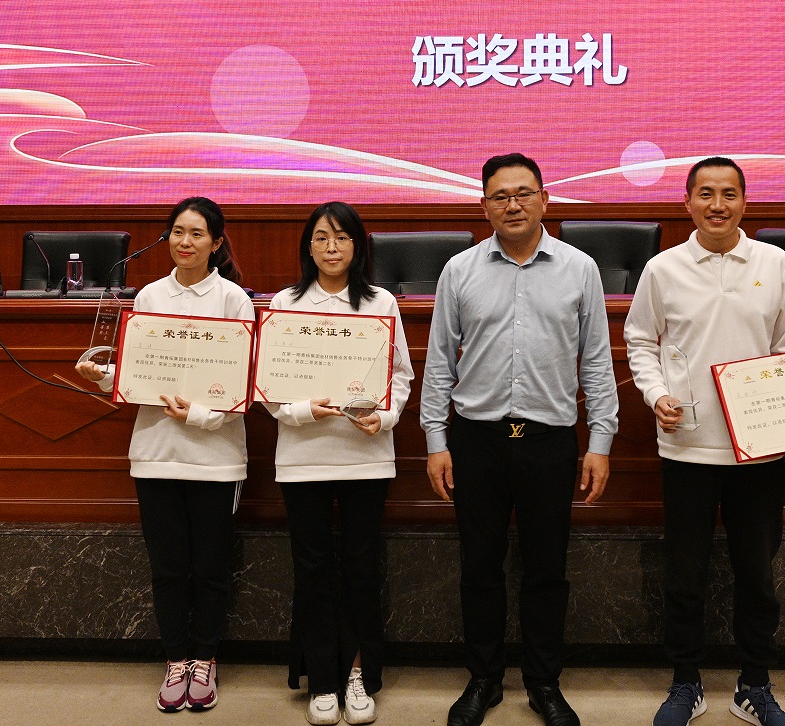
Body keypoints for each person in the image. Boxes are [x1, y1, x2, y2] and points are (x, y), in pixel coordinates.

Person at [420, 153, 618, 726]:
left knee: (546, 570)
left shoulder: (579, 268)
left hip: (548, 440)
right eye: (500, 196)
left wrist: (600, 441)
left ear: (545, 200)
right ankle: (483, 679)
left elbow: (597, 362)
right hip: (476, 439)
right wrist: (436, 439)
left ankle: (544, 683)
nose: (512, 205)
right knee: (479, 567)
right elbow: (439, 362)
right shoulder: (459, 270)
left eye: (523, 193)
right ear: (484, 206)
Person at [624, 158, 785, 726]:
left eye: (729, 194)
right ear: (687, 202)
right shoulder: (663, 268)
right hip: (687, 446)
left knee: (757, 577)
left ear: (744, 202)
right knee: (685, 576)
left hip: (759, 449)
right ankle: (685, 683)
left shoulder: (774, 263)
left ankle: (754, 685)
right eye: (705, 194)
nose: (717, 205)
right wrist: (656, 394)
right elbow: (640, 340)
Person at [76, 197, 254, 713]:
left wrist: (197, 415)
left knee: (210, 568)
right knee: (169, 568)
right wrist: (103, 377)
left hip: (216, 456)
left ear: (216, 243)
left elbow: (243, 385)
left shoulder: (233, 300)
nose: (185, 242)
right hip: (156, 453)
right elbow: (141, 375)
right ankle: (176, 660)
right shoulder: (150, 295)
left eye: (197, 233)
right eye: (177, 231)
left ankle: (205, 659)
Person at [264, 202, 413, 726]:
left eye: (343, 238)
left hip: (364, 457)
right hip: (303, 457)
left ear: (358, 246)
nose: (332, 247)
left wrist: (385, 417)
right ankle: (322, 679)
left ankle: (357, 673)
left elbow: (400, 375)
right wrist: (303, 410)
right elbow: (268, 384)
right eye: (322, 237)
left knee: (359, 568)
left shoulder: (380, 302)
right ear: (308, 246)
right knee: (312, 570)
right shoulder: (285, 303)